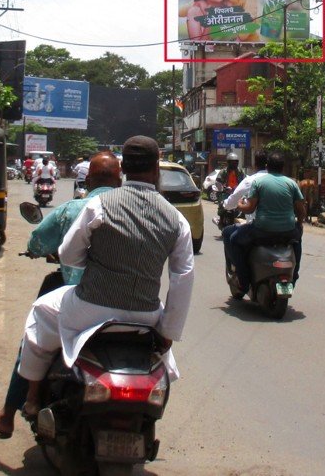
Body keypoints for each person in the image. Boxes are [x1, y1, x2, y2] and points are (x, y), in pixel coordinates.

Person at [17, 136, 195, 416]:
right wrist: (168, 332)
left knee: (41, 312)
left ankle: (31, 398)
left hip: (90, 310)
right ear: (156, 169)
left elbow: (68, 255)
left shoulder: (99, 205)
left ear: (123, 168)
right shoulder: (176, 219)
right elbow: (182, 278)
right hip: (145, 317)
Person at [0, 152, 122, 439]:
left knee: (34, 335)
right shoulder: (134, 211)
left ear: (88, 179)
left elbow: (40, 241)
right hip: (126, 305)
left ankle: (11, 413)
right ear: (119, 180)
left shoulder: (73, 210)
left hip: (78, 299)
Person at [226, 151, 306, 291]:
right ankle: (294, 275)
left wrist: (239, 205)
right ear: (283, 167)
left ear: (267, 166)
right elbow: (301, 209)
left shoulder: (259, 182)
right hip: (288, 231)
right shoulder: (291, 183)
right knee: (297, 242)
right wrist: (299, 225)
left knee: (233, 239)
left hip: (262, 230)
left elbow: (250, 208)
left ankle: (244, 282)